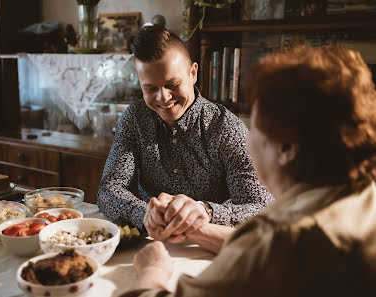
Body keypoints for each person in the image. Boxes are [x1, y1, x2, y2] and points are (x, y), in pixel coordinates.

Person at [120, 46, 376, 297]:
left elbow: (262, 248)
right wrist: (194, 227)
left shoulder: (276, 240)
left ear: (286, 149)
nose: (248, 142)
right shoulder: (365, 197)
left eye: (255, 127)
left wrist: (152, 271)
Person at [97, 25, 273, 239]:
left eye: (173, 84)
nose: (163, 98)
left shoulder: (227, 128)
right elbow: (109, 189)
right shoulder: (135, 118)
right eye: (151, 89)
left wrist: (206, 211)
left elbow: (260, 205)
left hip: (213, 245)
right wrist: (145, 213)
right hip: (154, 240)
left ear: (193, 73)